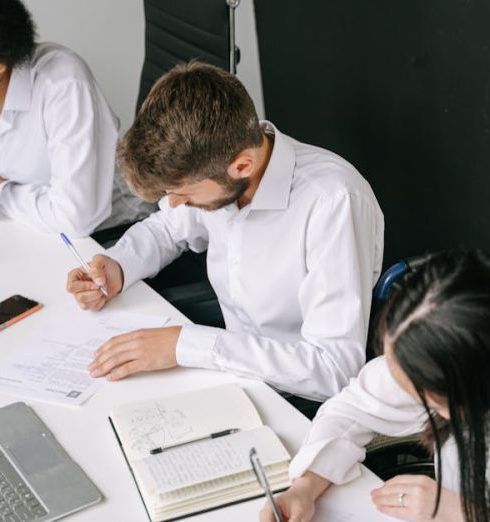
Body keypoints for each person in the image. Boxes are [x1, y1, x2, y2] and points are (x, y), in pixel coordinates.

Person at [66, 61, 384, 413]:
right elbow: (168, 228)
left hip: (301, 401)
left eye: (183, 193)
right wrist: (118, 265)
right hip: (230, 370)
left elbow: (333, 370)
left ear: (242, 166)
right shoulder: (219, 168)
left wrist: (184, 346)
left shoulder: (332, 203)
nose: (173, 203)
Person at [260, 249, 490, 522]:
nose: (394, 384)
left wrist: (463, 512)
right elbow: (350, 411)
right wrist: (305, 487)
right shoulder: (427, 360)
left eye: (421, 392)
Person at [0, 0, 153, 237]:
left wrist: (4, 191)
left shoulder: (63, 84)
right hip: (33, 227)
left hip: (116, 233)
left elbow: (74, 218)